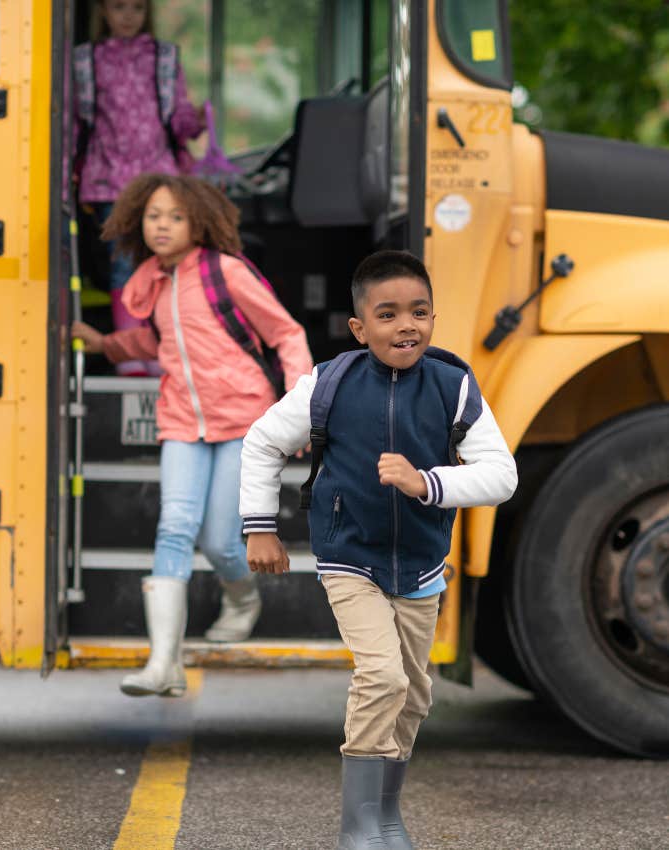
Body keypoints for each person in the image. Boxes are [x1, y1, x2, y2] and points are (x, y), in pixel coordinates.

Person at [239, 250, 517, 850]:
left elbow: (502, 475)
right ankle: (358, 828)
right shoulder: (330, 384)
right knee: (384, 676)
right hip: (350, 555)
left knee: (415, 694)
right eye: (387, 315)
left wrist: (428, 483)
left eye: (419, 312)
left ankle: (387, 817)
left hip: (420, 562)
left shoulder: (453, 385)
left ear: (435, 318)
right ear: (360, 328)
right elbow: (262, 443)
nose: (406, 326)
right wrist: (259, 528)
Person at [72, 173, 313, 697]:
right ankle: (163, 664)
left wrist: (297, 409)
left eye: (175, 217)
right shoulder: (155, 281)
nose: (162, 225)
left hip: (243, 419)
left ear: (198, 222)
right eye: (154, 215)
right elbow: (158, 339)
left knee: (222, 540)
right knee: (175, 526)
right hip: (182, 418)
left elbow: (287, 333)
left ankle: (243, 597)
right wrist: (105, 345)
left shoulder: (226, 273)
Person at [73, 0, 205, 375]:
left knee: (163, 262)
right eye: (118, 7)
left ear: (147, 12)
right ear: (103, 12)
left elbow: (177, 116)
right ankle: (129, 354)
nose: (128, 16)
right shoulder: (87, 60)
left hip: (158, 179)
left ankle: (159, 348)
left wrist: (193, 123)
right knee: (122, 266)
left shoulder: (163, 58)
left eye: (136, 8)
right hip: (107, 179)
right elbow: (76, 122)